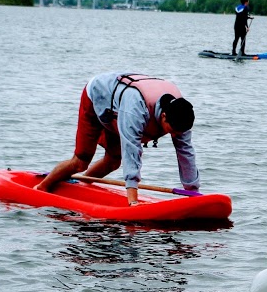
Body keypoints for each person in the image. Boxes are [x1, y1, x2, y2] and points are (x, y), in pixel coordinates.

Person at [35, 72, 200, 205]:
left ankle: (81, 188)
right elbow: (132, 152)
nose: (175, 136)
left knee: (113, 161)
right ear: (163, 116)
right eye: (172, 131)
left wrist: (193, 193)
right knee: (81, 161)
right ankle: (41, 188)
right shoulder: (136, 110)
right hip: (97, 98)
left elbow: (186, 153)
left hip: (119, 105)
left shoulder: (180, 115)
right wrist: (133, 202)